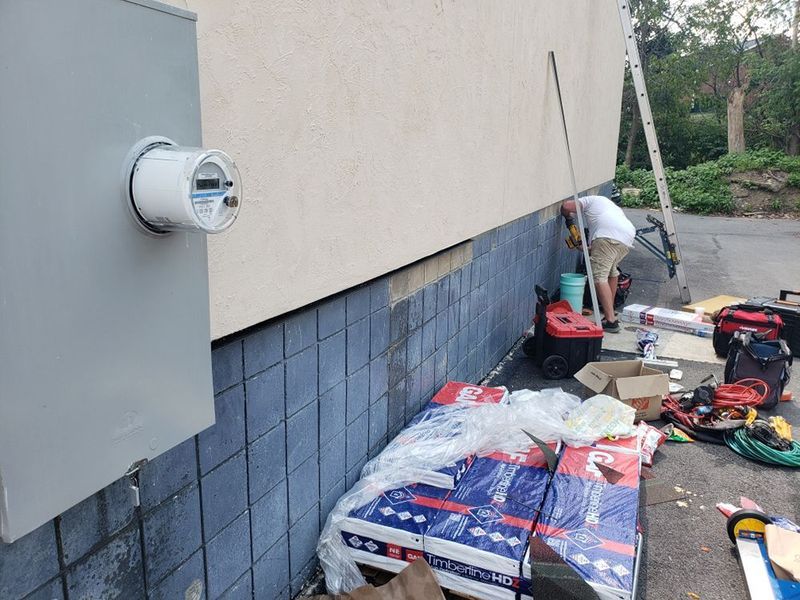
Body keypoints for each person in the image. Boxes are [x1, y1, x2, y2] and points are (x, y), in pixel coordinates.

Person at [561, 195, 635, 333]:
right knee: (612, 273)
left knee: (599, 277)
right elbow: (603, 251)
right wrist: (583, 248)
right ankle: (610, 313)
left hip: (607, 237)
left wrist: (568, 219)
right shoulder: (609, 208)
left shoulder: (589, 201)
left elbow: (566, 206)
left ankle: (611, 321)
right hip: (626, 238)